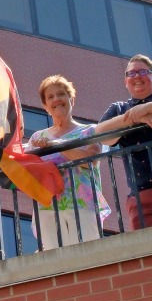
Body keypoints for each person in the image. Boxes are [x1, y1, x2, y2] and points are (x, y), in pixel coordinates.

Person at [26, 76, 111, 249]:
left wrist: (56, 146)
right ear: (45, 107)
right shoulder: (37, 138)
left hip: (82, 203)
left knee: (88, 256)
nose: (56, 99)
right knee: (56, 262)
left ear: (71, 99)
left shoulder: (90, 131)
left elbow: (90, 161)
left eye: (61, 94)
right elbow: (28, 172)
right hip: (47, 207)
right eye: (50, 97)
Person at [97, 54, 152, 229]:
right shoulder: (119, 109)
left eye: (143, 71)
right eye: (131, 73)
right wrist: (134, 118)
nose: (137, 76)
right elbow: (101, 135)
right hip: (144, 198)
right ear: (125, 81)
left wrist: (149, 107)